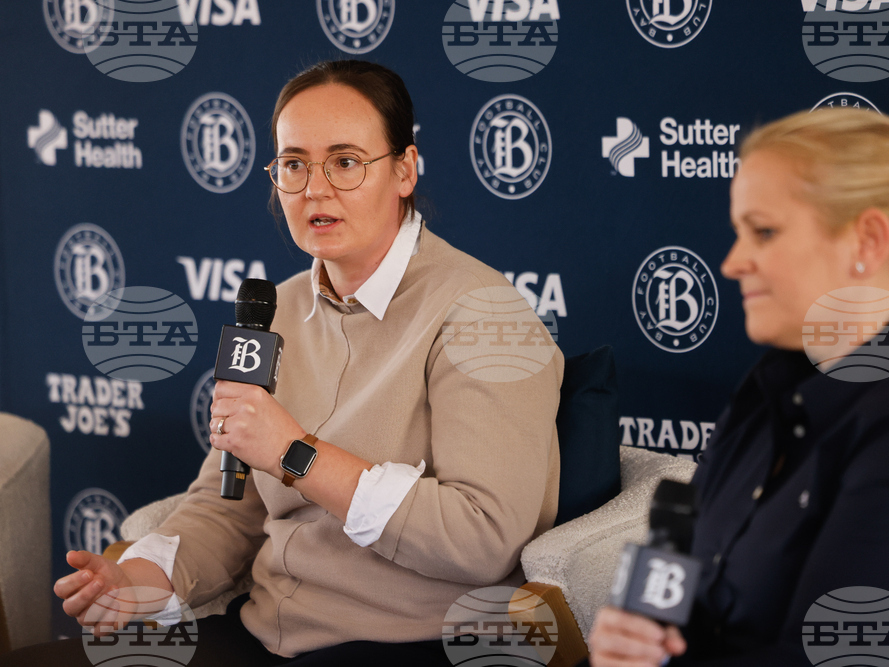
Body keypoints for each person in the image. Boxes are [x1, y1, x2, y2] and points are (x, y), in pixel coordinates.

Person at [7, 60, 562, 666]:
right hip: (264, 632)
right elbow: (230, 507)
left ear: (405, 169)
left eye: (345, 162)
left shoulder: (484, 316)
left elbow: (482, 537)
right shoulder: (277, 307)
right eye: (293, 164)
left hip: (408, 642)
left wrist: (297, 453)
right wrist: (145, 578)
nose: (314, 189)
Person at [588, 108, 889, 666]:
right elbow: (674, 594)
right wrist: (624, 643)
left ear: (868, 241)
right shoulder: (774, 384)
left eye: (763, 231)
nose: (732, 263)